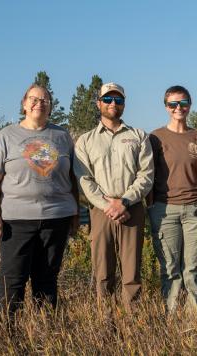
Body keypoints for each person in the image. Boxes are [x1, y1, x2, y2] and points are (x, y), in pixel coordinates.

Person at [0, 84, 79, 318]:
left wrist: (75, 214)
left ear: (51, 106)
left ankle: (44, 330)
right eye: (34, 99)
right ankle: (9, 332)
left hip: (56, 217)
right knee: (12, 279)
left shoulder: (62, 136)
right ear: (24, 104)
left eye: (45, 99)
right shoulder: (7, 135)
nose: (39, 102)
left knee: (47, 277)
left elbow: (72, 178)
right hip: (17, 220)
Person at [75, 82, 154, 310]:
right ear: (98, 103)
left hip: (132, 208)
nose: (113, 104)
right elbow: (84, 179)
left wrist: (125, 202)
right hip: (101, 211)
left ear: (124, 104)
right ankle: (106, 324)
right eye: (108, 99)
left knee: (131, 273)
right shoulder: (86, 140)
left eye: (118, 100)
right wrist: (108, 205)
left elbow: (146, 175)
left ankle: (131, 324)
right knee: (103, 271)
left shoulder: (138, 136)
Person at [147, 85, 197, 314]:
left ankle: (194, 320)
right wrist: (151, 205)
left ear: (189, 105)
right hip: (164, 210)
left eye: (182, 103)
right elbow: (147, 174)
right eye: (173, 104)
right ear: (166, 107)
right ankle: (171, 316)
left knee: (192, 268)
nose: (178, 108)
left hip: (195, 209)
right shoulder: (155, 137)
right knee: (170, 268)